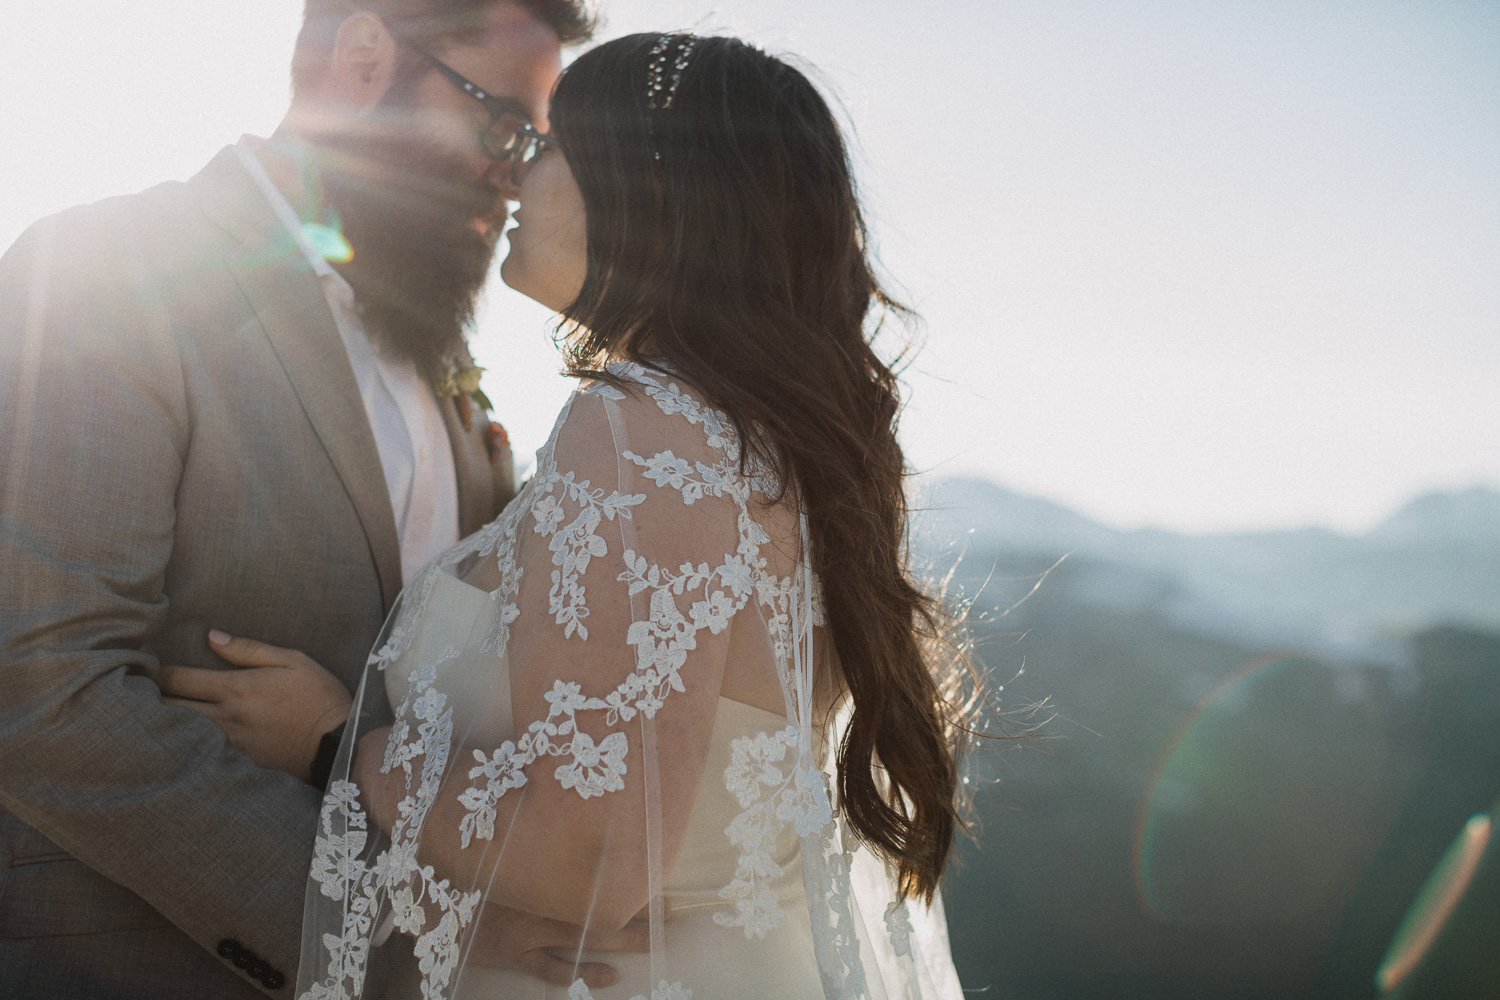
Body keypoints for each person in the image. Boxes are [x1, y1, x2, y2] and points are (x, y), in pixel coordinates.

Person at [187, 31, 973, 999]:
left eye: (548, 145)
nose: (516, 177)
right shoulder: (774, 440)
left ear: (649, 186)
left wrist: (337, 744)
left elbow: (588, 853)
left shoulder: (642, 427)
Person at [0, 3, 663, 997]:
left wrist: (345, 741)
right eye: (503, 126)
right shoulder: (110, 268)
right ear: (364, 57)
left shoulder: (442, 359)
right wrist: (396, 926)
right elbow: (43, 685)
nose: (517, 171)